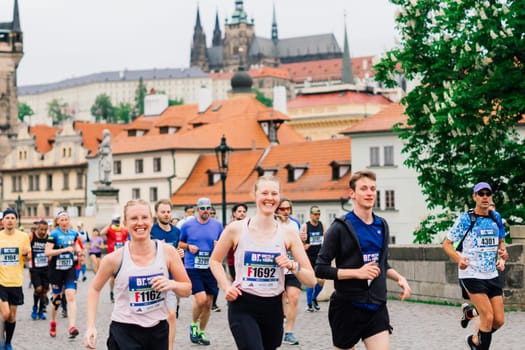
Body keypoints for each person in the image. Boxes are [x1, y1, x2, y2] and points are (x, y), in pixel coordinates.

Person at [210, 175, 316, 350]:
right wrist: (226, 286)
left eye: (274, 193)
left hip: (273, 307)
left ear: (279, 197)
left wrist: (292, 265)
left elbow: (311, 279)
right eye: (264, 193)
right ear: (254, 195)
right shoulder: (236, 229)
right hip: (243, 304)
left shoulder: (288, 233)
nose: (269, 198)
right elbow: (214, 260)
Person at [315, 170, 412, 350]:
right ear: (352, 194)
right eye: (364, 189)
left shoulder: (381, 225)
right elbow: (320, 268)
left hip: (376, 307)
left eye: (373, 189)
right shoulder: (339, 227)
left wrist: (400, 278)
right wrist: (357, 273)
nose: (369, 193)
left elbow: (381, 264)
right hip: (347, 307)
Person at [84, 199, 191, 350]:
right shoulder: (113, 259)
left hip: (158, 331)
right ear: (125, 223)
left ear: (151, 221)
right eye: (134, 218)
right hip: (124, 331)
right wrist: (90, 326)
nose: (140, 223)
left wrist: (172, 284)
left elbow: (187, 289)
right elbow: (94, 289)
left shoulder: (168, 252)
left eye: (144, 218)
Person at [442, 182, 507, 350]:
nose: (485, 197)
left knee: (499, 320)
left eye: (488, 194)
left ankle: (474, 340)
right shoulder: (466, 219)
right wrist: (459, 260)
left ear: (491, 197)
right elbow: (447, 244)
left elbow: (501, 242)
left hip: (491, 273)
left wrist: (503, 256)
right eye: (481, 194)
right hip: (471, 273)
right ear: (475, 197)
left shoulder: (496, 217)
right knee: (487, 316)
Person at [178, 197, 223, 346]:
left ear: (211, 209)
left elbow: (223, 243)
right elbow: (179, 243)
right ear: (197, 209)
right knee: (201, 299)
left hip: (210, 267)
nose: (205, 211)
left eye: (208, 208)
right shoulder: (188, 225)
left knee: (208, 303)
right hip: (193, 266)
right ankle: (193, 325)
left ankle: (201, 332)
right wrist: (188, 247)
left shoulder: (217, 225)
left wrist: (219, 245)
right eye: (202, 208)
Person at [150, 199, 184, 349]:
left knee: (171, 315)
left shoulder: (177, 232)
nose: (166, 214)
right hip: (153, 279)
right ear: (157, 213)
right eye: (163, 212)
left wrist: (179, 253)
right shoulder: (151, 230)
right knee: (153, 317)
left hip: (170, 278)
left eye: (168, 212)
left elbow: (177, 253)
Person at [45, 211, 82, 339]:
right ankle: (53, 322)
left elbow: (76, 244)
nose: (65, 222)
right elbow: (47, 252)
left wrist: (79, 250)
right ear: (58, 222)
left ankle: (72, 327)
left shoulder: (73, 233)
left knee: (71, 295)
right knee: (57, 299)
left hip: (69, 269)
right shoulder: (54, 233)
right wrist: (63, 250)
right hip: (56, 270)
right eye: (62, 220)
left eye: (66, 219)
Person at [0, 208, 31, 350]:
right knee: (5, 313)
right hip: (1, 281)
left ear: (16, 221)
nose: (10, 220)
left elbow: (28, 259)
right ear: (3, 221)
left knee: (11, 317)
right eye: (7, 218)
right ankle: (1, 339)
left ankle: (8, 342)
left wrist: (26, 255)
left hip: (16, 281)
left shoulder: (23, 236)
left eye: (13, 218)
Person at [275, 198, 302, 345]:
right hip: (277, 267)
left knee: (294, 297)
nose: (285, 212)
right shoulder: (273, 224)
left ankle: (289, 332)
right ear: (277, 210)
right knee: (280, 299)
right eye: (282, 209)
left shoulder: (295, 224)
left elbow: (298, 246)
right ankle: (278, 326)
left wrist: (301, 240)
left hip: (292, 266)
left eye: (288, 209)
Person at [300, 205, 326, 312]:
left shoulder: (322, 225)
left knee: (321, 281)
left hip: (319, 256)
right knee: (310, 281)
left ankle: (314, 297)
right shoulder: (305, 226)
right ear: (311, 215)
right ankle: (309, 304)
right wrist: (303, 245)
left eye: (318, 214)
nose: (317, 216)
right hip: (308, 257)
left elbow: (327, 238)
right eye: (315, 214)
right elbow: (299, 241)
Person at [101, 214, 128, 303]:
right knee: (113, 278)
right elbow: (101, 233)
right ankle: (111, 292)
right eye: (116, 219)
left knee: (124, 276)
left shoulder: (123, 230)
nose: (117, 221)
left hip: (123, 256)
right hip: (112, 256)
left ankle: (122, 294)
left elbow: (128, 237)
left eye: (119, 219)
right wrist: (110, 223)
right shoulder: (110, 229)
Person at [29, 219, 50, 321]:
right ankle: (34, 307)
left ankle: (41, 310)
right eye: (41, 229)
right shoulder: (31, 236)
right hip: (35, 268)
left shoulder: (49, 237)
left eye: (45, 230)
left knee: (45, 290)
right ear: (37, 228)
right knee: (38, 289)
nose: (43, 232)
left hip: (46, 268)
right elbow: (25, 246)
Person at [226, 203, 248, 281]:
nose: (242, 213)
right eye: (239, 211)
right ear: (234, 214)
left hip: (245, 262)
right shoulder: (229, 228)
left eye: (244, 211)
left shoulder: (249, 227)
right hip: (233, 262)